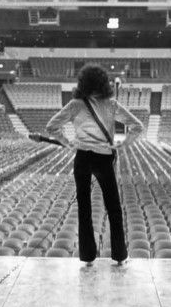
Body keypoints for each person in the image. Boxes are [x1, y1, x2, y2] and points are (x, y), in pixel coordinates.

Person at [45, 64, 144, 267]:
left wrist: (68, 143)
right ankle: (119, 255)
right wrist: (122, 144)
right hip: (103, 157)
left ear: (83, 83)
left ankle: (87, 256)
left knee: (84, 207)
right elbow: (137, 126)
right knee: (113, 207)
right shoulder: (111, 105)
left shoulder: (75, 105)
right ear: (103, 83)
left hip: (82, 157)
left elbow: (51, 126)